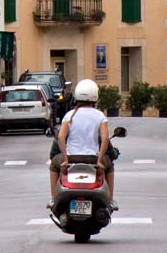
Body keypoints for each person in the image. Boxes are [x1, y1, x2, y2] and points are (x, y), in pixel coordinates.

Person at [48, 79, 117, 210]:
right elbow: (105, 138)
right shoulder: (100, 116)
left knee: (54, 165)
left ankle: (53, 198)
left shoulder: (69, 115)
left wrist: (65, 159)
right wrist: (100, 160)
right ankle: (111, 199)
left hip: (72, 158)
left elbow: (61, 137)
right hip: (92, 158)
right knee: (110, 166)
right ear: (95, 97)